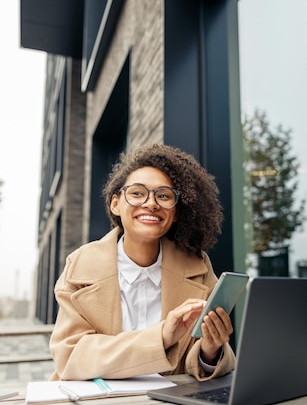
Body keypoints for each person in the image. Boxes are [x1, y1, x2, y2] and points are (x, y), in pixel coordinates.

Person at [49, 143, 235, 381]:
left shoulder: (197, 266)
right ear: (115, 203)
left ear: (175, 212)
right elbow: (71, 356)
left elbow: (195, 358)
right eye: (137, 193)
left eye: (164, 196)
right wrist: (161, 337)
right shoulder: (80, 265)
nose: (151, 203)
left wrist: (210, 351)